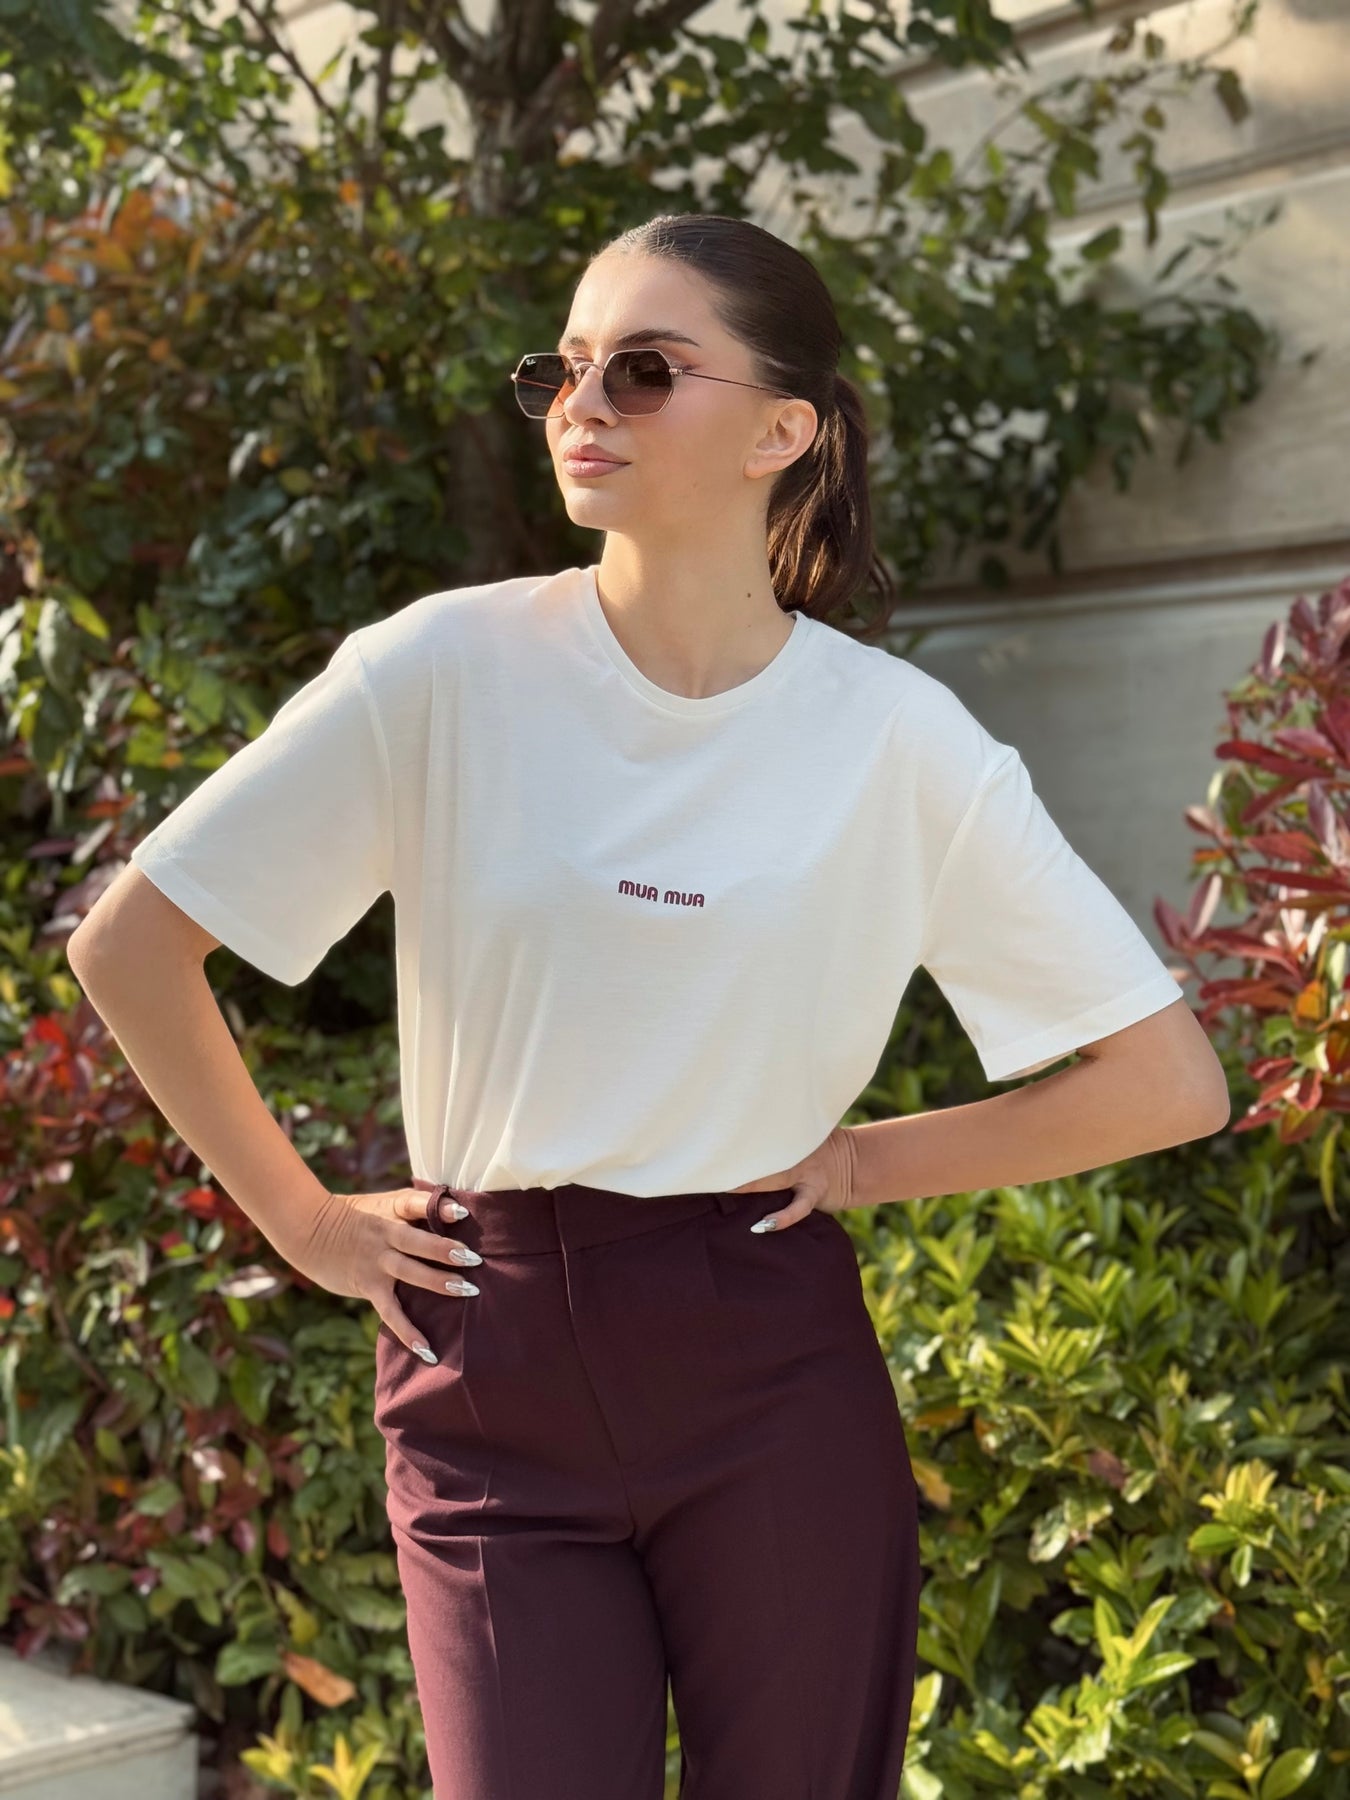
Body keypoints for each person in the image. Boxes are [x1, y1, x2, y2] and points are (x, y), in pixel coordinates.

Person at [69, 211, 1230, 1799]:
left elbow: (1165, 1082)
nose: (581, 403)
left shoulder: (898, 742)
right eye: (562, 368)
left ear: (780, 432)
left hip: (767, 1364)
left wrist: (864, 1160)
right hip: (486, 1357)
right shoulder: (444, 671)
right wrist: (306, 1223)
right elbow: (133, 946)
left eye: (642, 369)